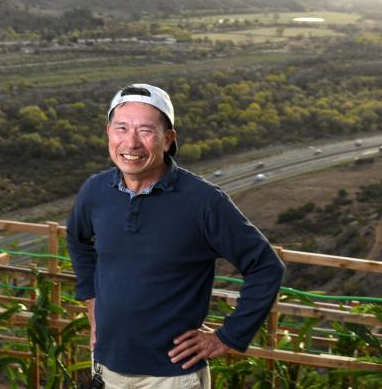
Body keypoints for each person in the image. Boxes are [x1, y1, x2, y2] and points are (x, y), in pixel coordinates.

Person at [67, 83, 285, 388]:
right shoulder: (95, 191)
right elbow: (77, 241)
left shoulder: (204, 202)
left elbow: (266, 267)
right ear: (108, 133)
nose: (131, 142)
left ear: (168, 140)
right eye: (121, 128)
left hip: (173, 376)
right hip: (108, 367)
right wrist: (92, 304)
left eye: (145, 130)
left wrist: (226, 337)